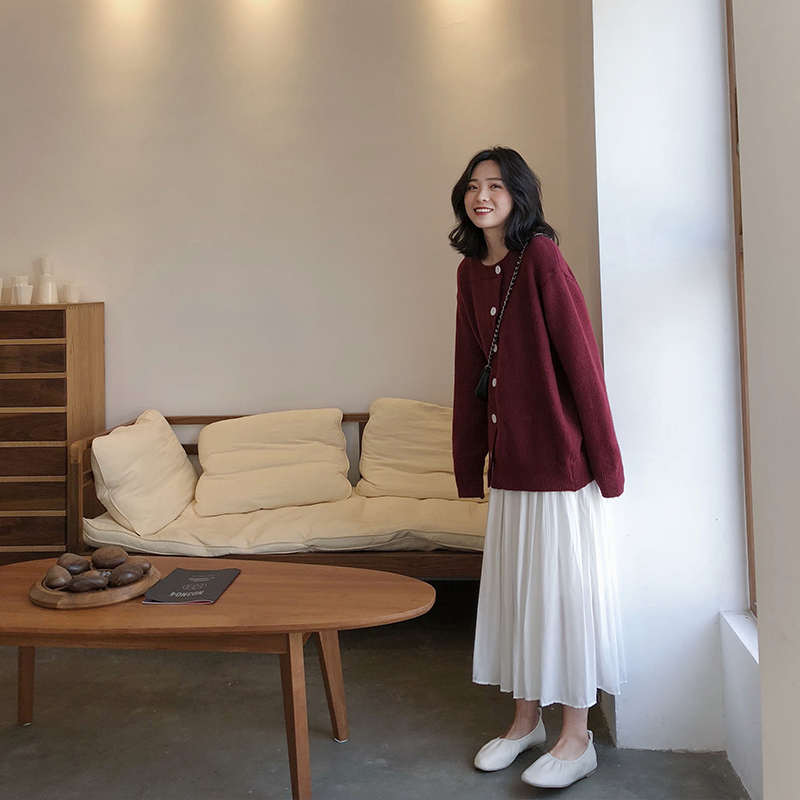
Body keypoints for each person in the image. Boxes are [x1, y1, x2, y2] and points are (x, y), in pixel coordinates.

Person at [450, 146, 626, 789]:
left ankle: (577, 737)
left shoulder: (543, 258)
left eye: (496, 185)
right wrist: (469, 462)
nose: (482, 196)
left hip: (559, 464)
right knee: (520, 596)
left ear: (519, 195)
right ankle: (525, 723)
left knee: (562, 598)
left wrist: (607, 464)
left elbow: (583, 362)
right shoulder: (470, 273)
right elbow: (468, 369)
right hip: (511, 465)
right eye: (473, 186)